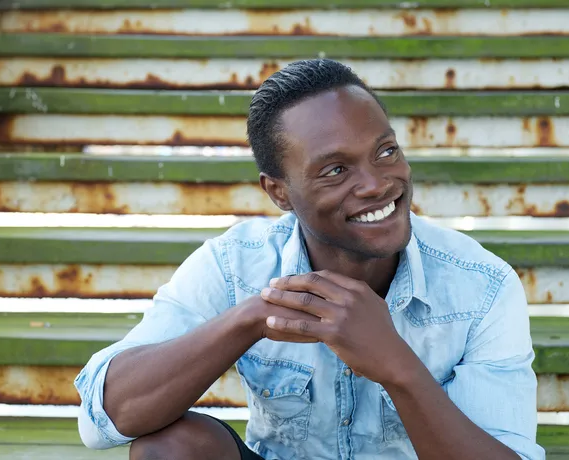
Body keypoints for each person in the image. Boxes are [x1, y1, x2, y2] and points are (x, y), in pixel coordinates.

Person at [75, 59, 545, 460]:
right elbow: (103, 420)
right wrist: (253, 317)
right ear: (278, 191)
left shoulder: (481, 285)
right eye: (336, 170)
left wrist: (395, 366)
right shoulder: (235, 264)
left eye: (385, 151)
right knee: (172, 447)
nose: (377, 184)